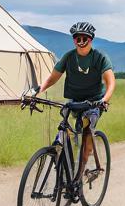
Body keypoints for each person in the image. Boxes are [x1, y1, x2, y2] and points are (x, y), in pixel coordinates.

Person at [33, 22, 115, 181]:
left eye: (85, 37)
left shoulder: (100, 58)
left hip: (94, 103)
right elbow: (52, 78)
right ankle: (67, 169)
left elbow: (110, 82)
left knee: (86, 132)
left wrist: (104, 100)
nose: (81, 40)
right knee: (66, 132)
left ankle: (80, 173)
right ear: (74, 40)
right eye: (77, 37)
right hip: (74, 101)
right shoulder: (69, 57)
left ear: (91, 39)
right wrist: (37, 92)